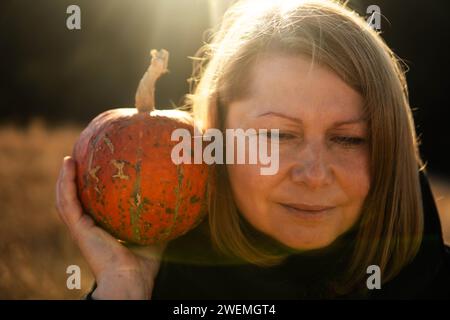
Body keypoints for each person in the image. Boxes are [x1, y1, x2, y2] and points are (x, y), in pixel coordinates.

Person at [55, 0, 450, 299]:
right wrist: (124, 288)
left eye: (348, 139)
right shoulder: (163, 284)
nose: (313, 174)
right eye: (278, 136)